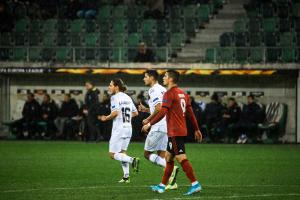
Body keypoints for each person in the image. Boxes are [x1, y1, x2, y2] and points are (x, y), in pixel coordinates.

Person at [142, 70, 203, 195]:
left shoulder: (169, 93)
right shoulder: (183, 94)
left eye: (165, 76)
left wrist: (149, 123)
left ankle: (195, 184)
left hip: (175, 131)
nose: (163, 78)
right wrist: (196, 129)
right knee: (169, 158)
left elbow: (163, 111)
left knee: (181, 158)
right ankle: (162, 186)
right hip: (176, 130)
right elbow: (190, 114)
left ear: (170, 79)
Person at [138, 70, 179, 190]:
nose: (143, 79)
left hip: (158, 126)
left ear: (152, 78)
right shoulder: (162, 89)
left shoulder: (153, 90)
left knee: (147, 154)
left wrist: (148, 119)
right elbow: (162, 108)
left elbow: (159, 107)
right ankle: (170, 183)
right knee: (161, 155)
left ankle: (171, 168)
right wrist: (146, 110)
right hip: (166, 125)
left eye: (145, 77)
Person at [98, 78, 140, 183]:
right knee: (122, 153)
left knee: (112, 154)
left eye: (111, 85)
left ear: (116, 87)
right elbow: (135, 113)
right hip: (128, 128)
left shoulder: (114, 97)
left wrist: (105, 118)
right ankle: (126, 176)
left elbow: (115, 113)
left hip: (119, 129)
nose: (109, 87)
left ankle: (133, 160)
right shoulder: (128, 97)